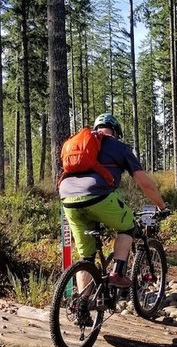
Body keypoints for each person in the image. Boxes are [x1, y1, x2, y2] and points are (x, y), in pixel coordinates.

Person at [59, 113, 168, 289]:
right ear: (116, 131)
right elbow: (144, 183)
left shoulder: (80, 145)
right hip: (99, 195)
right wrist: (161, 206)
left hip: (67, 198)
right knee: (128, 226)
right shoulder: (119, 147)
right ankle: (117, 272)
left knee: (86, 257)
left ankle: (82, 306)